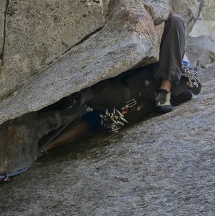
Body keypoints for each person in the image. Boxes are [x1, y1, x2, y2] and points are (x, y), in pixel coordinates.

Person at [39, 13, 201, 154]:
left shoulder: (179, 69)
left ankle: (164, 92)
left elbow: (85, 126)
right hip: (133, 89)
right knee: (88, 93)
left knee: (176, 21)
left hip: (135, 95)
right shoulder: (176, 62)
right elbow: (84, 125)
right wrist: (47, 147)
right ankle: (73, 99)